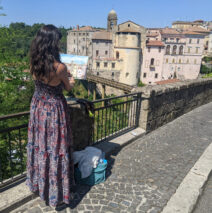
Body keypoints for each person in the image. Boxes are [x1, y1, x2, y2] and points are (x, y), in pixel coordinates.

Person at [26, 24, 75, 207]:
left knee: (40, 145)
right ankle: (56, 192)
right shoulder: (60, 67)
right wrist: (71, 80)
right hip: (54, 111)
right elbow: (68, 88)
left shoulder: (34, 63)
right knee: (55, 149)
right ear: (52, 43)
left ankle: (39, 184)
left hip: (38, 108)